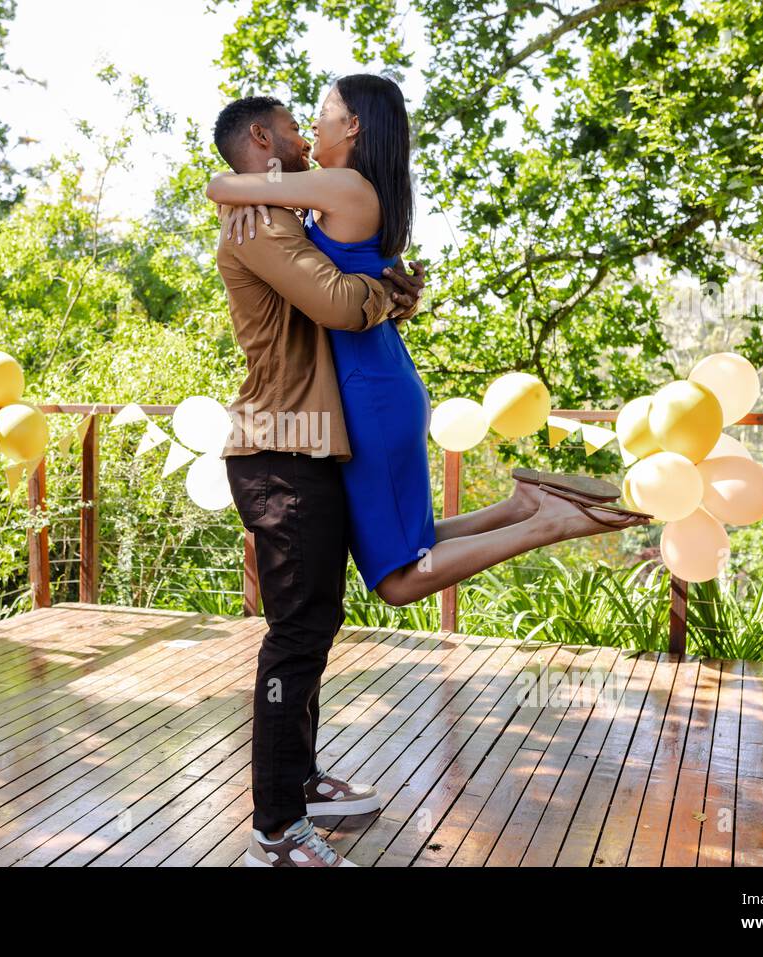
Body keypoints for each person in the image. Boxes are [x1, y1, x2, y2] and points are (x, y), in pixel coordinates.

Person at [208, 74, 649, 618]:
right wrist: (397, 296)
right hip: (372, 380)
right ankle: (526, 505)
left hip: (367, 388)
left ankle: (550, 522)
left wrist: (238, 194)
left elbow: (221, 186)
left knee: (398, 578)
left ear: (353, 125)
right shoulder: (339, 192)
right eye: (298, 125)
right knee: (405, 545)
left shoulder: (342, 187)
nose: (308, 130)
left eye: (319, 114)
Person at [211, 94, 425, 868]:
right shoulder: (262, 224)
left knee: (315, 625)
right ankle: (275, 826)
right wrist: (384, 294)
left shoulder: (286, 218)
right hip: (277, 451)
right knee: (295, 635)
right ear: (263, 139)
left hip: (308, 447)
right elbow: (337, 305)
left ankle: (298, 780)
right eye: (296, 125)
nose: (307, 135)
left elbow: (341, 301)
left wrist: (391, 294)